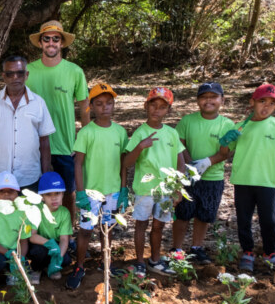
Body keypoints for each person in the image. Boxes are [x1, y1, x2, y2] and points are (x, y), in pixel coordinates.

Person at [218, 83, 275, 273]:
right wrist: (225, 141)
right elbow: (225, 152)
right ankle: (247, 252)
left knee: (269, 220)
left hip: (266, 181)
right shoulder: (241, 126)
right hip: (242, 180)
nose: (266, 106)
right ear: (252, 102)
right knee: (244, 219)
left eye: (272, 103)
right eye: (262, 101)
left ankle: (270, 253)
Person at [26, 20, 90, 225]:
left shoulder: (74, 71)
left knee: (68, 191)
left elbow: (84, 106)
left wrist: (84, 141)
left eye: (56, 38)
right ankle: (39, 233)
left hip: (65, 144)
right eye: (47, 39)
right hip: (33, 145)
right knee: (35, 193)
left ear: (62, 43)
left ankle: (68, 231)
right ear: (40, 43)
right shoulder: (27, 71)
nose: (51, 42)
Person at [67, 83, 129, 289]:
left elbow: (123, 162)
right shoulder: (86, 132)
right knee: (86, 230)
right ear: (91, 106)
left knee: (107, 229)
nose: (105, 107)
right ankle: (79, 266)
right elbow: (78, 163)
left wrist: (123, 188)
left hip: (112, 191)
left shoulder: (120, 132)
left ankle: (106, 263)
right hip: (91, 192)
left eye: (109, 103)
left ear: (114, 105)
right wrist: (80, 192)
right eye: (99, 103)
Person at [0, 56, 55, 202]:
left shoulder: (38, 103)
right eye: (10, 74)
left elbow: (44, 141)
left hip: (30, 177)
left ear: (26, 75)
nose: (15, 77)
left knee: (29, 216)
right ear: (3, 76)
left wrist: (46, 174)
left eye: (20, 73)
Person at [123, 87, 185, 278]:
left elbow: (180, 162)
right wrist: (140, 147)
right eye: (153, 105)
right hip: (144, 190)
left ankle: (155, 260)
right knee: (141, 225)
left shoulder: (171, 133)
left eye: (162, 107)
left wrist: (178, 188)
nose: (156, 110)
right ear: (145, 106)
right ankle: (139, 262)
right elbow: (126, 163)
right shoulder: (140, 133)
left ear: (169, 110)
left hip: (166, 190)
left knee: (159, 225)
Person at [170, 82, 233, 264]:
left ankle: (197, 247)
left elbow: (227, 152)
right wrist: (190, 165)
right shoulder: (187, 121)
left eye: (213, 97)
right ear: (198, 101)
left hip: (213, 178)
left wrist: (207, 162)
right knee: (183, 213)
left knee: (204, 214)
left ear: (222, 100)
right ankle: (177, 249)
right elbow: (178, 144)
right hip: (187, 177)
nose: (208, 101)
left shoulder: (227, 124)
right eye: (204, 97)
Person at [27, 172, 73, 284]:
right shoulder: (36, 209)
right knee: (38, 252)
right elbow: (32, 236)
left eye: (57, 193)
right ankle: (36, 269)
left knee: (66, 259)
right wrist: (50, 244)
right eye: (48, 194)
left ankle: (51, 266)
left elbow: (64, 239)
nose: (54, 198)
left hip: (56, 246)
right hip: (40, 244)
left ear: (63, 194)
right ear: (42, 197)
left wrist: (58, 258)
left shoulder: (64, 213)